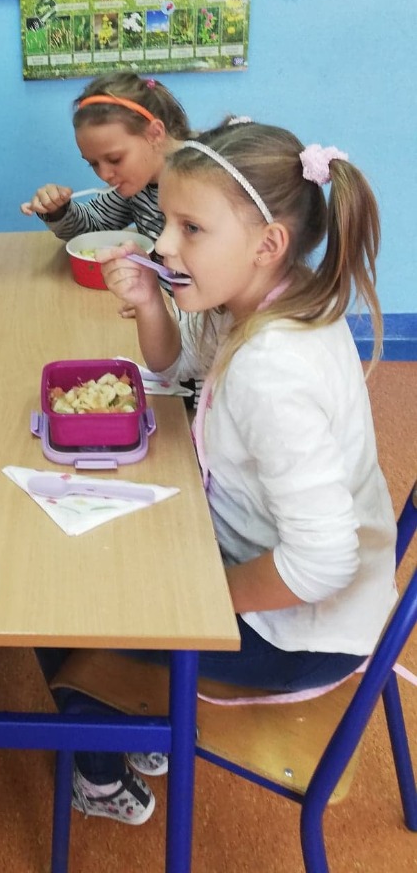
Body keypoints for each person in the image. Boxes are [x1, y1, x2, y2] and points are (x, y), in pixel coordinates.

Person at [42, 120, 397, 827]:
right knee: (103, 542)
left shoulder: (274, 369)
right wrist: (151, 303)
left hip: (298, 631)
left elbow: (322, 563)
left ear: (268, 244)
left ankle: (104, 767)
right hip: (259, 560)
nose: (162, 246)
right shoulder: (262, 298)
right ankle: (143, 724)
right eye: (167, 223)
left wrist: (199, 602)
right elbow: (176, 368)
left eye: (191, 229)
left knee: (64, 602)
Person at [19, 71, 191, 271]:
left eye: (114, 159)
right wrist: (58, 210)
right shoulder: (137, 183)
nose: (104, 175)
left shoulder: (206, 180)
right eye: (93, 163)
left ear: (154, 134)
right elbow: (93, 229)